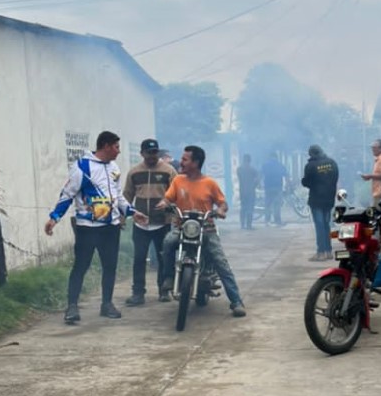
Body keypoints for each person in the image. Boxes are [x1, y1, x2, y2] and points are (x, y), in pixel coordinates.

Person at [44, 131, 147, 325]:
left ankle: (107, 304)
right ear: (106, 146)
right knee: (81, 266)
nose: (118, 151)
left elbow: (118, 197)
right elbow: (67, 194)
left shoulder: (114, 167)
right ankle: (72, 306)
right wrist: (54, 218)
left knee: (110, 266)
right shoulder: (82, 167)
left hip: (111, 226)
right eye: (116, 147)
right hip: (87, 227)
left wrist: (133, 212)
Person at [156, 145, 247, 318]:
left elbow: (222, 203)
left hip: (206, 228)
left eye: (185, 159)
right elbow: (168, 198)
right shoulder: (178, 181)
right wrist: (164, 204)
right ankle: (168, 277)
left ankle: (236, 301)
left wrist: (220, 210)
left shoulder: (209, 183)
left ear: (196, 163)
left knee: (221, 263)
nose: (181, 162)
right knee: (168, 242)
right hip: (182, 227)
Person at [123, 138, 176, 306]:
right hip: (141, 223)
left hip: (162, 222)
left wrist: (170, 207)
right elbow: (127, 195)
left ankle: (163, 290)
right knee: (139, 259)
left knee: (164, 258)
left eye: (155, 152)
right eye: (149, 153)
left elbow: (177, 194)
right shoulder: (134, 172)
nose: (152, 156)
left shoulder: (169, 171)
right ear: (142, 154)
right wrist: (123, 216)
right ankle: (138, 293)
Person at [301, 144, 339, 261]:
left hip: (316, 199)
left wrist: (304, 181)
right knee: (326, 225)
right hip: (329, 198)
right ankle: (328, 251)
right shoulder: (332, 163)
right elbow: (336, 178)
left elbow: (306, 182)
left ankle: (321, 252)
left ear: (311, 154)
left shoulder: (310, 165)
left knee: (319, 225)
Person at [361, 138, 381, 206]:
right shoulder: (379, 159)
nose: (372, 149)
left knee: (377, 215)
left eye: (374, 147)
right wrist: (370, 177)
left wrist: (370, 176)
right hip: (380, 193)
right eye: (372, 147)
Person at [261, 152, 288, 226]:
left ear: (270, 156)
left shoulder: (265, 165)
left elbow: (261, 175)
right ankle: (277, 221)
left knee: (268, 205)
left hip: (268, 187)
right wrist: (288, 186)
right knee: (277, 205)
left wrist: (259, 185)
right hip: (278, 187)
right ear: (277, 157)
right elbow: (286, 176)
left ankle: (267, 221)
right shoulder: (280, 165)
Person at [236, 154, 259, 230]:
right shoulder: (253, 170)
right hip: (251, 192)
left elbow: (240, 178)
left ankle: (242, 225)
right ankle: (249, 225)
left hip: (242, 191)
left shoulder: (239, 169)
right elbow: (257, 180)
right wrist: (254, 186)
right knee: (250, 208)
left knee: (243, 208)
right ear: (250, 160)